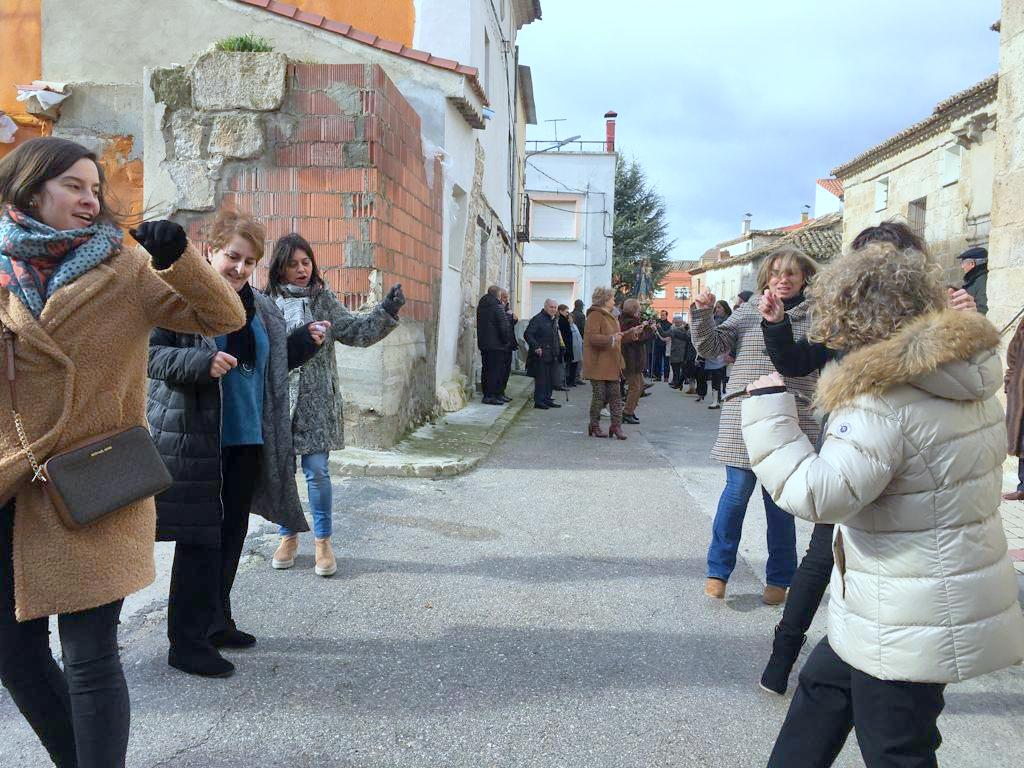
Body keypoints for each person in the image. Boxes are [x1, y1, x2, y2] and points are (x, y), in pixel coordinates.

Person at [0, 137, 245, 766]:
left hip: (94, 484)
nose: (90, 199)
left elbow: (221, 314)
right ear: (31, 191)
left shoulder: (124, 268)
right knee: (14, 652)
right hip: (10, 484)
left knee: (90, 657)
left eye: (94, 187)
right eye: (73, 186)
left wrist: (178, 259)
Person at [742, 241, 1024, 767]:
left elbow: (818, 494)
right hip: (898, 597)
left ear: (850, 315)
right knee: (820, 696)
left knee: (897, 751)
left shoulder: (883, 398)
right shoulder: (962, 377)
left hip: (906, 612)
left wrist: (766, 410)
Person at [756, 221, 978, 696]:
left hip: (919, 463)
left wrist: (969, 322)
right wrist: (775, 325)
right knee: (822, 556)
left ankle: (883, 673)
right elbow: (796, 363)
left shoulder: (939, 315)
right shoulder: (852, 321)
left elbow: (971, 383)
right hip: (857, 449)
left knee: (898, 562)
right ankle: (783, 664)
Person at [148, 209, 324, 679]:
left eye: (250, 262)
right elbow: (149, 355)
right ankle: (185, 642)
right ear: (209, 250)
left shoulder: (261, 306)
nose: (240, 269)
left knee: (231, 535)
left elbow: (266, 367)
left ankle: (216, 621)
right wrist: (198, 365)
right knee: (199, 540)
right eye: (232, 257)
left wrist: (302, 342)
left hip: (249, 436)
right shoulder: (180, 298)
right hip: (198, 437)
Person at [264, 233, 403, 576]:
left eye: (306, 262)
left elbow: (356, 331)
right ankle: (288, 536)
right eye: (293, 263)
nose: (301, 269)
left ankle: (323, 542)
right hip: (279, 402)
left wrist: (387, 310)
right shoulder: (266, 303)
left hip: (317, 402)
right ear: (279, 267)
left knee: (317, 472)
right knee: (282, 472)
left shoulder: (322, 299)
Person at [691, 248, 820, 605]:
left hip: (789, 418)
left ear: (804, 278)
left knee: (779, 502)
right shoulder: (747, 312)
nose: (783, 279)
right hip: (744, 417)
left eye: (792, 273)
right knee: (735, 494)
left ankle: (779, 579)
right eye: (776, 272)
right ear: (766, 277)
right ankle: (718, 572)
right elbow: (711, 347)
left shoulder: (818, 318)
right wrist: (702, 314)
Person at [583, 286, 626, 439]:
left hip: (612, 363)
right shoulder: (595, 315)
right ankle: (594, 425)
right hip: (598, 364)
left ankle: (616, 426)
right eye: (612, 298)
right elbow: (592, 338)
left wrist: (632, 333)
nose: (614, 300)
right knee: (599, 396)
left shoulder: (612, 316)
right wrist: (612, 338)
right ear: (605, 300)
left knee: (616, 397)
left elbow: (616, 337)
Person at [619, 299, 654, 425]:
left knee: (639, 386)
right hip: (631, 359)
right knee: (635, 387)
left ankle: (630, 410)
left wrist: (645, 326)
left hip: (633, 359)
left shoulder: (624, 320)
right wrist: (650, 330)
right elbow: (638, 338)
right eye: (638, 309)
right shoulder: (629, 322)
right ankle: (627, 412)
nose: (640, 311)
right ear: (634, 310)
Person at [476, 285, 510, 405]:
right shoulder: (497, 306)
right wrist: (506, 341)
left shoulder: (482, 305)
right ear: (498, 295)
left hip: (485, 343)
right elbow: (503, 326)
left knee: (486, 370)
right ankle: (491, 396)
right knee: (495, 371)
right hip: (496, 345)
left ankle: (488, 394)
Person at [524, 299, 561, 410]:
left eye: (555, 307)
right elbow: (528, 334)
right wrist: (536, 347)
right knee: (541, 379)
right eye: (551, 307)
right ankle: (539, 401)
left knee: (550, 378)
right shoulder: (538, 319)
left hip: (552, 354)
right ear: (545, 306)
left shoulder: (553, 320)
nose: (553, 309)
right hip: (540, 354)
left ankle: (547, 399)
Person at [700, 301, 731, 409]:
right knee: (715, 376)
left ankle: (727, 396)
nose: (717, 309)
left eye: (719, 307)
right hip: (714, 353)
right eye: (716, 307)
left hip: (727, 352)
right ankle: (715, 400)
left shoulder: (730, 320)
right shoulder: (713, 320)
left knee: (726, 377)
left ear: (725, 309)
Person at [499, 289, 518, 398]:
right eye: (505, 297)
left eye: (507, 298)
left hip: (509, 344)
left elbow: (514, 320)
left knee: (506, 371)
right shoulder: (499, 308)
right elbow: (504, 322)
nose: (506, 300)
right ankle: (499, 393)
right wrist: (511, 317)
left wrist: (512, 317)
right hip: (502, 345)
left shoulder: (507, 308)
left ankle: (502, 392)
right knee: (501, 371)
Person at [959, 245, 988, 315]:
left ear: (972, 264)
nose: (962, 267)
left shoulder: (982, 281)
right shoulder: (974, 280)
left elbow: (982, 309)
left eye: (963, 263)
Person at [557, 304, 577, 388]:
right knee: (562, 366)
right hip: (564, 346)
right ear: (561, 311)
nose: (567, 313)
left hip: (567, 345)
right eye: (566, 311)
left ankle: (563, 382)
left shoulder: (565, 320)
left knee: (565, 365)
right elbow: (563, 335)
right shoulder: (562, 320)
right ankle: (560, 383)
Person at [649, 310, 671, 382]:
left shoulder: (669, 324)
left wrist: (659, 328)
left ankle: (666, 377)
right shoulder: (657, 323)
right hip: (658, 344)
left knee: (666, 362)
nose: (662, 316)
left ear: (666, 316)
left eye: (663, 315)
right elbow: (653, 331)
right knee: (658, 361)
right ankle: (658, 376)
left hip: (665, 345)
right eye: (661, 315)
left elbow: (666, 334)